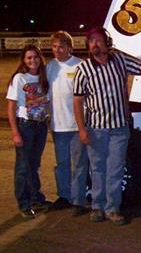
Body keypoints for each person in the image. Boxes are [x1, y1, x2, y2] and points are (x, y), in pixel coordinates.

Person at [73, 27, 141, 225]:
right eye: (91, 41)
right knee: (97, 169)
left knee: (116, 168)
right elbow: (78, 101)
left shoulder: (120, 60)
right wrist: (81, 129)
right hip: (96, 128)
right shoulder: (83, 69)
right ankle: (97, 207)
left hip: (119, 128)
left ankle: (112, 208)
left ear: (107, 42)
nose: (95, 44)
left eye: (98, 40)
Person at [46, 31, 89, 216]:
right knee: (61, 164)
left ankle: (78, 200)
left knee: (79, 165)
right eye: (54, 47)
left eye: (61, 46)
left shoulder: (80, 65)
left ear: (70, 47)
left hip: (77, 126)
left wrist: (85, 125)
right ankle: (64, 196)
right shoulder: (50, 67)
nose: (57, 50)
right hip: (58, 125)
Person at [6, 44, 52, 219]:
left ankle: (36, 198)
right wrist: (15, 132)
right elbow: (10, 107)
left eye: (35, 57)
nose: (33, 60)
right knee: (23, 167)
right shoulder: (19, 78)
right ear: (24, 60)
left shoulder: (43, 77)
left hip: (40, 125)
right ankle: (23, 203)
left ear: (40, 58)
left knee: (34, 165)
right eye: (29, 58)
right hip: (26, 126)